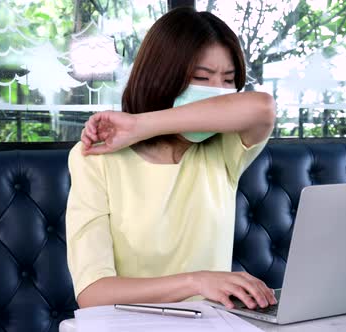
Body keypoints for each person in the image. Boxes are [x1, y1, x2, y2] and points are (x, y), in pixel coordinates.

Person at [66, 7, 277, 310]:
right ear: (161, 77)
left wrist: (140, 125)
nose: (217, 92)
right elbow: (93, 293)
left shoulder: (224, 149)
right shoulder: (97, 159)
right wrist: (196, 282)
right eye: (201, 78)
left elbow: (262, 108)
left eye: (229, 81)